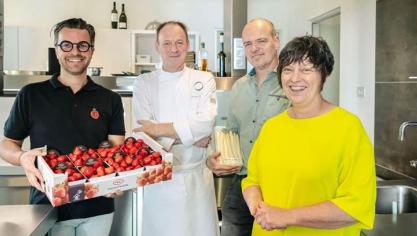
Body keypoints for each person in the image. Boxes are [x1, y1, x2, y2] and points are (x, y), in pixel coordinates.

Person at [0, 18, 125, 236]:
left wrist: (118, 178)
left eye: (82, 45)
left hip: (99, 208)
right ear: (57, 50)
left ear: (91, 50)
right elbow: (7, 144)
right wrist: (22, 157)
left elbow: (116, 150)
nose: (75, 51)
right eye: (66, 44)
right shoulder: (31, 95)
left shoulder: (110, 99)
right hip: (48, 208)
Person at [242, 36, 376, 235]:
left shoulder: (348, 127)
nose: (295, 78)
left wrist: (286, 216)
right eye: (287, 70)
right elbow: (252, 181)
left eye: (306, 69)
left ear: (324, 75)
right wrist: (258, 208)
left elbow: (356, 206)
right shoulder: (272, 127)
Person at [132, 21, 219, 236]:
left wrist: (158, 128)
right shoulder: (144, 83)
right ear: (157, 46)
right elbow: (143, 135)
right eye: (167, 43)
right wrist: (191, 136)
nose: (174, 49)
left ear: (188, 45)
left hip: (197, 177)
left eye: (179, 42)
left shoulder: (204, 78)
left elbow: (206, 124)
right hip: (160, 181)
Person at [206, 18, 289, 236]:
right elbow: (230, 133)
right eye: (248, 44)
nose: (254, 49)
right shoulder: (239, 87)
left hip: (279, 185)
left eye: (261, 41)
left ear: (276, 40)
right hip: (240, 184)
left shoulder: (292, 82)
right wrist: (215, 158)